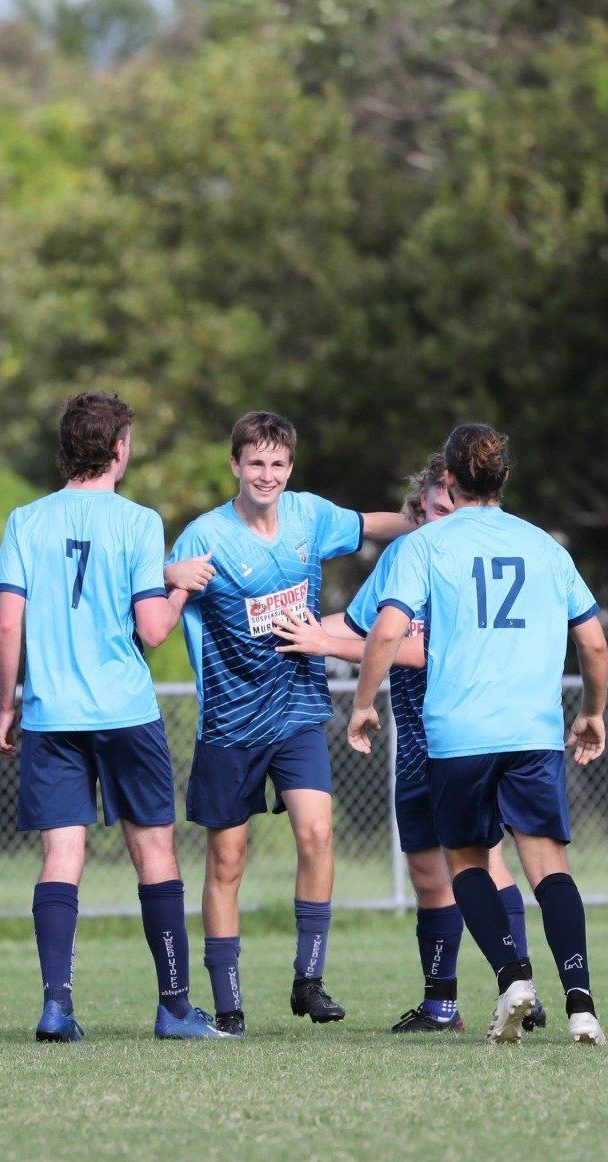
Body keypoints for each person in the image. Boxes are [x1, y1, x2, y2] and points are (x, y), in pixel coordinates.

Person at [348, 423, 608, 1046]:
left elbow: (386, 632)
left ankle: (513, 978)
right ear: (504, 478)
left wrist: (362, 702)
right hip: (532, 732)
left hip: (459, 734)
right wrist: (593, 710)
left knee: (466, 861)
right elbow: (594, 641)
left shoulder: (427, 545)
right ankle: (581, 1004)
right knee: (549, 867)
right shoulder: (546, 548)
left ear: (451, 482)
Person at [272, 454, 547, 1034]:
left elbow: (428, 649)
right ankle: (441, 1004)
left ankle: (519, 983)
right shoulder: (406, 557)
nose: (446, 516)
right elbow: (353, 624)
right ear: (419, 508)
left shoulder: (471, 560)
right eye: (436, 507)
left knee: (487, 859)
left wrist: (328, 646)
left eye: (454, 506)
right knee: (427, 871)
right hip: (417, 741)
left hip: (468, 732)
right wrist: (283, 620)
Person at [0, 391, 230, 1041]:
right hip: (124, 710)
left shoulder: (26, 520)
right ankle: (174, 1008)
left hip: (51, 713)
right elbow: (154, 631)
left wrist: (7, 704)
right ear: (119, 448)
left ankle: (57, 1006)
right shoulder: (139, 522)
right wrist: (181, 584)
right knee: (154, 853)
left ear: (66, 448)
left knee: (61, 856)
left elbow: (9, 621)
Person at [169, 411, 413, 1035]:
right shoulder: (204, 537)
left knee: (318, 835)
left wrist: (437, 525)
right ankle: (228, 1003)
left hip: (299, 710)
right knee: (227, 862)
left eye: (277, 464)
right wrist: (165, 577)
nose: (267, 475)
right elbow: (148, 606)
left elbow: (369, 525)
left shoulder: (308, 516)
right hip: (228, 722)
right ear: (235, 466)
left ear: (290, 468)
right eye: (255, 463)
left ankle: (309, 979)